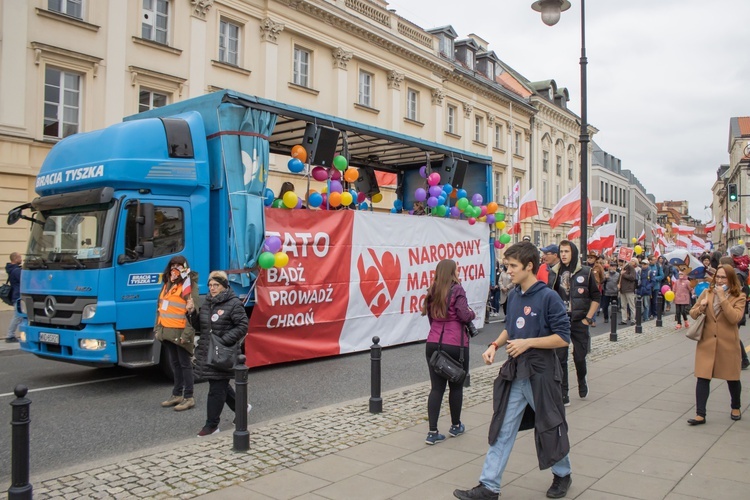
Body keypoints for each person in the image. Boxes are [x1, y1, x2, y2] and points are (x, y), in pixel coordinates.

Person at [453, 241, 572, 500]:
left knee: (549, 425)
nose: (508, 271)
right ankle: (489, 486)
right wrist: (495, 344)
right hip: (516, 372)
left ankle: (562, 474)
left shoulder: (548, 296)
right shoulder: (516, 294)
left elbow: (563, 338)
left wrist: (529, 342)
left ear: (529, 266)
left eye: (513, 266)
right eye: (507, 266)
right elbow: (511, 327)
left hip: (542, 374)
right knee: (503, 429)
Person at [188, 271, 249, 436]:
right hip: (208, 352)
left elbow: (243, 326)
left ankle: (212, 425)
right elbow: (200, 327)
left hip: (224, 353)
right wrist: (192, 313)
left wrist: (224, 340)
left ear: (224, 286)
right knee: (219, 384)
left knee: (216, 389)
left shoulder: (234, 303)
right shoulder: (207, 302)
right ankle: (241, 407)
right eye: (210, 285)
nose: (212, 288)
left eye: (216, 285)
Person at [421, 259, 475, 445]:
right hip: (455, 343)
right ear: (453, 272)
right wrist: (472, 313)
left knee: (436, 388)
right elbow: (463, 314)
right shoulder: (457, 289)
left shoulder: (432, 291)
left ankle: (432, 431)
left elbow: (430, 316)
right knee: (456, 385)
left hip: (433, 341)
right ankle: (455, 425)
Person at [687, 264, 745, 425]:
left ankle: (735, 406)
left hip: (727, 343)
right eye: (717, 277)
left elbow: (735, 318)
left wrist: (723, 299)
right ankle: (700, 414)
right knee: (702, 377)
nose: (719, 281)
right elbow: (692, 313)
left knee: (732, 378)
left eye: (723, 277)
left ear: (731, 279)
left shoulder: (738, 296)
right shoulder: (707, 292)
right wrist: (702, 307)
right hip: (707, 342)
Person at [547, 240, 600, 406]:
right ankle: (563, 393)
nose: (563, 254)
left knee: (579, 356)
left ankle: (582, 379)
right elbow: (550, 297)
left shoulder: (586, 272)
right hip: (561, 321)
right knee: (560, 358)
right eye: (561, 251)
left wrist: (587, 319)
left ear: (574, 253)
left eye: (566, 251)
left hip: (579, 321)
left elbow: (596, 297)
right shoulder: (554, 273)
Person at [155, 256, 200, 411]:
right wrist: (158, 329)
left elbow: (193, 313)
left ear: (184, 267)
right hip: (167, 331)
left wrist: (187, 334)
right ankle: (177, 394)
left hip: (180, 332)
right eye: (173, 265)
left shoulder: (188, 285)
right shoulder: (167, 284)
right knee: (175, 364)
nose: (175, 268)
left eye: (179, 265)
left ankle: (189, 397)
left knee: (185, 364)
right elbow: (161, 308)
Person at [5, 252, 23, 342]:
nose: (21, 259)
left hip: (16, 295)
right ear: (15, 259)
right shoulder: (17, 271)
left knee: (22, 316)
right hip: (19, 296)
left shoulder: (12, 269)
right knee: (18, 316)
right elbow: (24, 281)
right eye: (20, 257)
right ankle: (9, 335)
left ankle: (23, 334)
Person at [618, 258, 637, 325]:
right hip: (622, 289)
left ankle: (633, 320)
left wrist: (624, 274)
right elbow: (619, 277)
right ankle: (624, 319)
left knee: (631, 305)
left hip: (629, 289)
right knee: (623, 305)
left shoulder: (630, 268)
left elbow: (632, 277)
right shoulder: (621, 269)